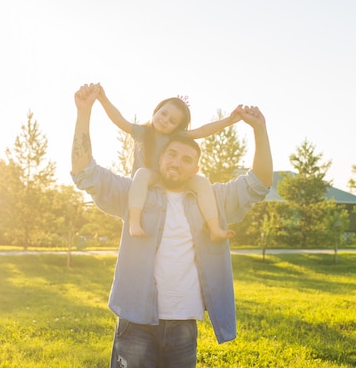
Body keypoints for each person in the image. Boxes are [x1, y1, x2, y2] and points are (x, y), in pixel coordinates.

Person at [71, 83, 273, 368]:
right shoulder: (135, 195)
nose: (177, 162)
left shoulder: (210, 200)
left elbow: (258, 184)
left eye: (187, 158)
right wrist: (84, 112)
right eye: (171, 155)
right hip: (135, 321)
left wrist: (259, 130)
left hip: (183, 325)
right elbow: (85, 172)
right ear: (160, 157)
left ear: (196, 168)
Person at [94, 84, 244, 241]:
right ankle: (134, 221)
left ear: (177, 127)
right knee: (143, 173)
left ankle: (214, 229)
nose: (165, 120)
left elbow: (202, 131)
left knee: (201, 182)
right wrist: (103, 99)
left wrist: (229, 121)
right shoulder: (142, 132)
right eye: (163, 114)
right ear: (156, 110)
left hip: (170, 178)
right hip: (145, 180)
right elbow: (119, 120)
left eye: (172, 121)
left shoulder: (175, 137)